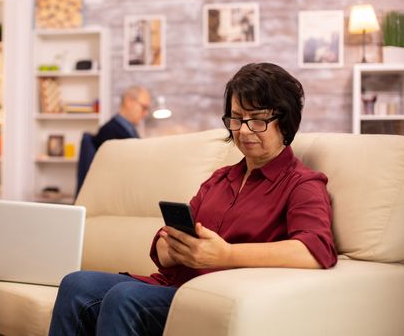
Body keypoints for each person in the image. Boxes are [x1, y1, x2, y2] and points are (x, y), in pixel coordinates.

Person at [50, 63, 338, 336]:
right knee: (77, 283)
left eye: (258, 120)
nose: (244, 130)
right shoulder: (220, 179)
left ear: (285, 122)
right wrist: (170, 246)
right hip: (173, 285)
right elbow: (170, 241)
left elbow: (315, 251)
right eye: (237, 118)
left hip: (215, 297)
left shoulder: (302, 183)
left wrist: (226, 255)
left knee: (125, 297)